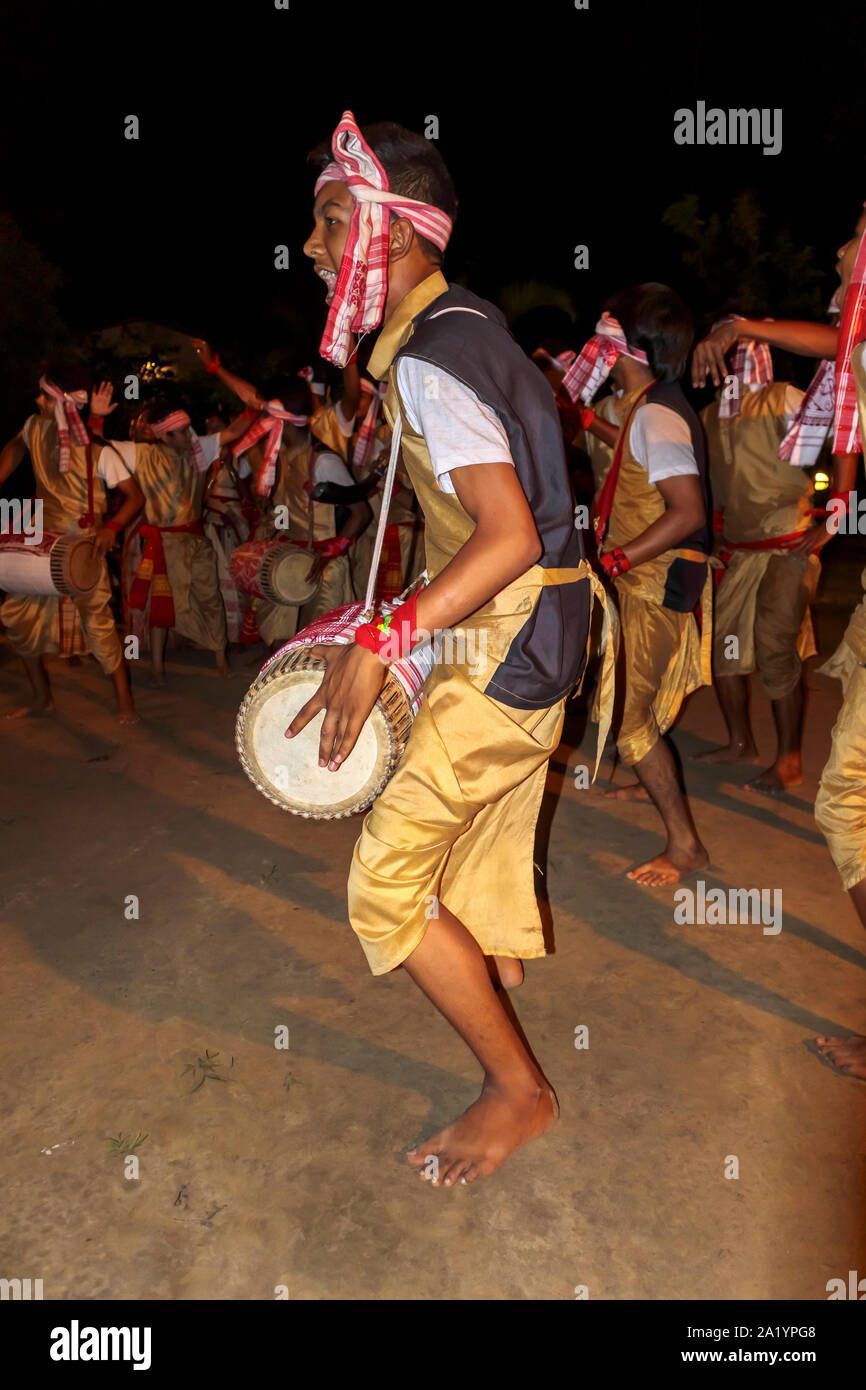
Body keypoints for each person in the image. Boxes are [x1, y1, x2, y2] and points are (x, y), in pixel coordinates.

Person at [290, 112, 608, 1186]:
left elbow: (507, 532)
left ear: (402, 234)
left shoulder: (435, 356)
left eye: (334, 222)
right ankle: (492, 963)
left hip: (512, 641)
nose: (313, 247)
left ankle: (520, 1090)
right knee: (483, 818)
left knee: (385, 879)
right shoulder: (462, 325)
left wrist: (385, 638)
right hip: (530, 632)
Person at [563, 291, 713, 887]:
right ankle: (645, 774)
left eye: (611, 323)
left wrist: (617, 558)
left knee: (627, 720)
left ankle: (686, 847)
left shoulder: (656, 414)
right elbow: (632, 452)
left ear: (634, 346)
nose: (598, 330)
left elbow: (685, 510)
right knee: (631, 701)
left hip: (654, 578)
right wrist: (589, 423)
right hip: (644, 574)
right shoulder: (647, 408)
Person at [692, 329, 819, 794]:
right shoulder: (708, 417)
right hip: (740, 551)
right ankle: (740, 743)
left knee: (775, 649)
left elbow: (847, 433)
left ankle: (789, 759)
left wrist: (839, 518)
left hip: (789, 546)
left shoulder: (783, 397)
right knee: (722, 651)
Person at [191, 343, 372, 647]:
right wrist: (213, 366)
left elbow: (362, 512)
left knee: (319, 655)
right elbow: (252, 397)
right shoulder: (284, 457)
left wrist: (332, 552)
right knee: (280, 644)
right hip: (291, 560)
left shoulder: (324, 461)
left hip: (323, 568)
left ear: (282, 420)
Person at [0, 369, 143, 722]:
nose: (37, 402)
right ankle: (41, 698)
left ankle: (125, 703)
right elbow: (15, 447)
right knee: (18, 618)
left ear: (62, 403)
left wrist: (111, 527)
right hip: (40, 542)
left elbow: (134, 497)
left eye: (44, 396)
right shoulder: (34, 427)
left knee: (99, 623)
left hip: (83, 547)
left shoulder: (97, 451)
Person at [114, 398, 248, 684]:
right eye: (184, 432)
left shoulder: (199, 449)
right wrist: (97, 419)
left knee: (211, 600)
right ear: (165, 435)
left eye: (190, 429)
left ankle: (220, 659)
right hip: (163, 544)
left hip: (196, 541)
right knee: (160, 608)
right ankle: (158, 668)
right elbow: (99, 449)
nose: (191, 436)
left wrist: (254, 405)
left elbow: (236, 432)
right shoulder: (142, 454)